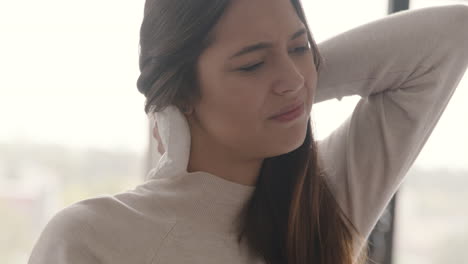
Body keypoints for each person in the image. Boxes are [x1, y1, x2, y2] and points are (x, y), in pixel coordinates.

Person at [28, 1, 468, 263]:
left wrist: (292, 94)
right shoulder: (91, 237)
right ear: (181, 91)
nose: (293, 77)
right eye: (252, 64)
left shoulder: (320, 204)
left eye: (300, 47)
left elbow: (452, 35)